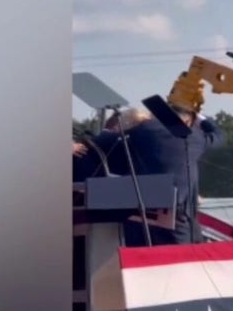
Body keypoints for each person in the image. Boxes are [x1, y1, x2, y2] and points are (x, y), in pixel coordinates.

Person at [93, 104, 223, 246]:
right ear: (187, 122)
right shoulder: (194, 136)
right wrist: (198, 116)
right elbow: (217, 135)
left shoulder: (143, 130)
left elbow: (103, 141)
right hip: (177, 217)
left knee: (142, 260)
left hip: (139, 213)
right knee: (180, 260)